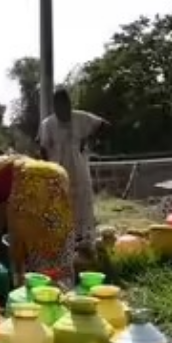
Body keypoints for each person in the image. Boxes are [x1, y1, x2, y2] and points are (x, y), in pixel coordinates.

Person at [0, 152, 77, 284]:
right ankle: (62, 287)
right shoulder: (3, 163)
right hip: (58, 174)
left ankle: (33, 286)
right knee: (58, 235)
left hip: (28, 184)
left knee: (31, 246)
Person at [37, 88, 110, 246]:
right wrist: (46, 171)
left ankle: (84, 242)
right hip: (58, 173)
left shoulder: (81, 118)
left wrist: (89, 139)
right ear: (54, 107)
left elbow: (104, 125)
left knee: (82, 205)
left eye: (66, 106)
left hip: (79, 171)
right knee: (60, 206)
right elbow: (42, 148)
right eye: (59, 107)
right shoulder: (48, 124)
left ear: (70, 104)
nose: (64, 110)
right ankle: (62, 242)